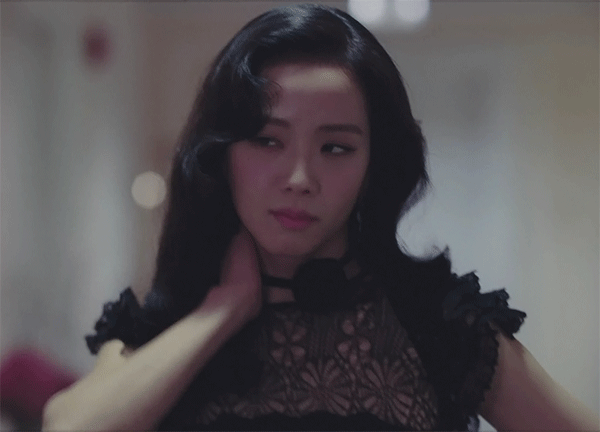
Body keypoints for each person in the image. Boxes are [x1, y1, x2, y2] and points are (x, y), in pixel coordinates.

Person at [42, 4, 599, 431]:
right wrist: (223, 311)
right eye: (267, 140)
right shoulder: (170, 318)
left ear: (374, 165)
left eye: (335, 148)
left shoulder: (435, 319)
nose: (300, 178)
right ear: (222, 154)